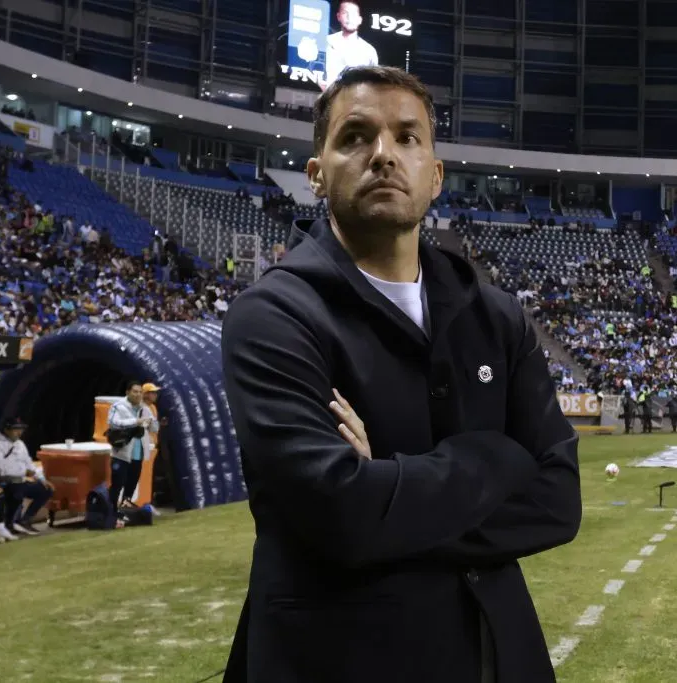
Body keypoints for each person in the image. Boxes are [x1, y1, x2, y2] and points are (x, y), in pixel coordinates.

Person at [220, 66, 580, 683]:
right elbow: (339, 516)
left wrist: (383, 485)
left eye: (407, 137)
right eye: (356, 137)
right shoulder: (273, 316)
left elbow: (558, 503)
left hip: (498, 655)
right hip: (335, 661)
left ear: (434, 176)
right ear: (316, 173)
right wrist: (497, 457)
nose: (384, 154)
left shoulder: (496, 316)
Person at [0, 417, 53, 541]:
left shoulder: (20, 444)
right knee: (16, 492)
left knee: (46, 490)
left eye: (21, 429)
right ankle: (9, 524)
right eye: (16, 429)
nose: (19, 432)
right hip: (4, 482)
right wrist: (24, 472)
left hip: (21, 481)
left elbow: (29, 463)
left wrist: (41, 479)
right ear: (6, 430)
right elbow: (0, 469)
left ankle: (24, 521)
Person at [107, 381, 150, 513]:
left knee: (132, 483)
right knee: (117, 484)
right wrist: (135, 421)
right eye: (135, 391)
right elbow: (113, 422)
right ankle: (111, 511)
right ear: (127, 392)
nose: (138, 394)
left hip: (138, 453)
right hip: (121, 453)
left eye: (140, 392)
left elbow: (153, 427)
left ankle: (126, 508)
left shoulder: (145, 408)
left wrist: (156, 423)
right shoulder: (118, 406)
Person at [324, 1, 379, 88]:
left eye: (354, 14)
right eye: (345, 13)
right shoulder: (326, 41)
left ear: (360, 20)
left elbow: (373, 83)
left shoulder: (369, 51)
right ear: (338, 16)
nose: (349, 17)